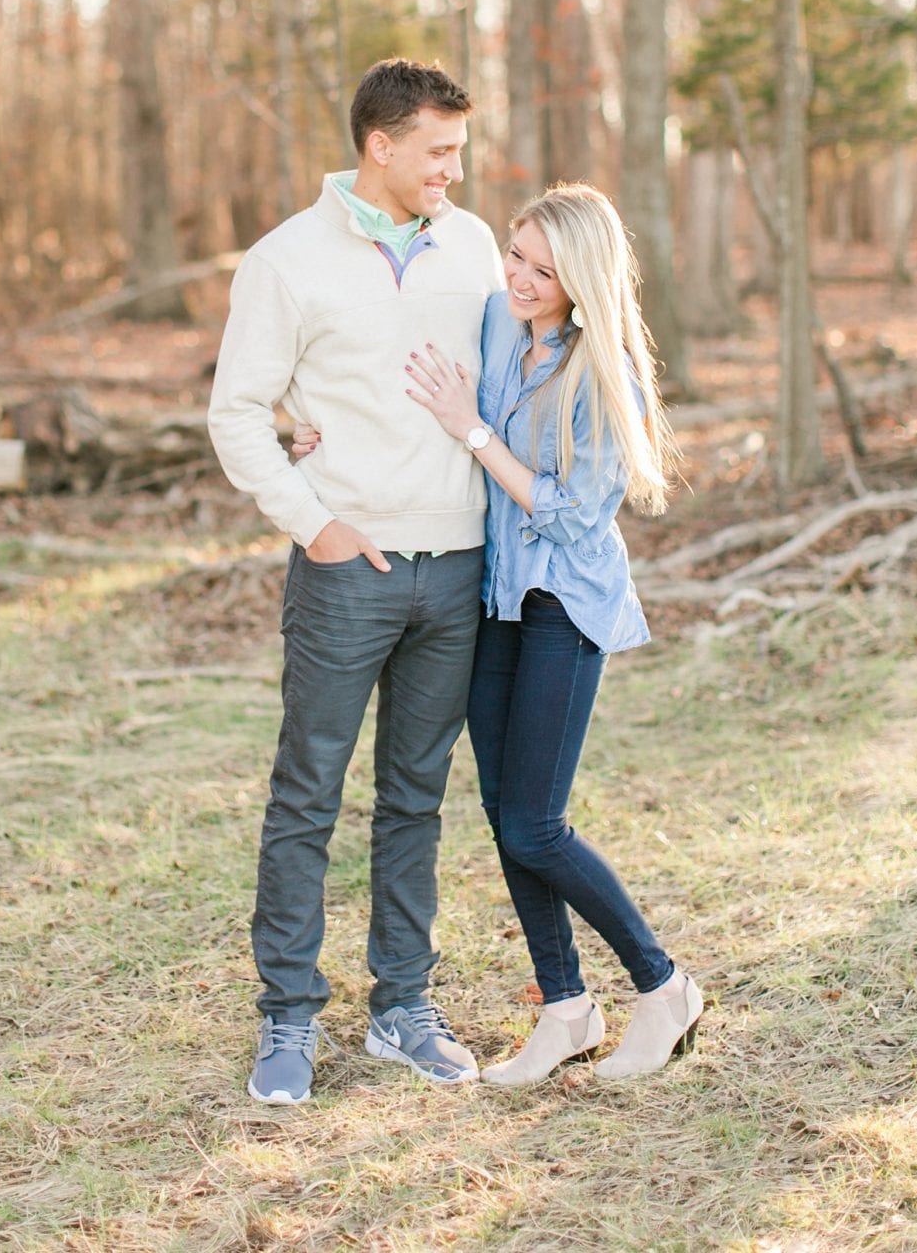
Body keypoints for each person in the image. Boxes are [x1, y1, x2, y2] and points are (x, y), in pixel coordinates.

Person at [207, 59, 504, 1106]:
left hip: (458, 565)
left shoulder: (474, 249)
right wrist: (315, 523)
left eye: (458, 152)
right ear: (379, 145)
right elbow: (236, 410)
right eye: (437, 151)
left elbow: (510, 377)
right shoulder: (286, 261)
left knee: (415, 798)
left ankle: (402, 1009)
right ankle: (288, 1017)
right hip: (347, 569)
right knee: (308, 795)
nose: (453, 171)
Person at [399, 183, 702, 1082]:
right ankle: (565, 1007)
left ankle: (664, 985)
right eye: (516, 256)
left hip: (565, 605)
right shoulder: (496, 320)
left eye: (544, 267)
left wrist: (476, 433)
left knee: (536, 824)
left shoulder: (608, 373)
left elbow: (572, 515)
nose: (521, 278)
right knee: (503, 814)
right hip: (498, 599)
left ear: (583, 276)